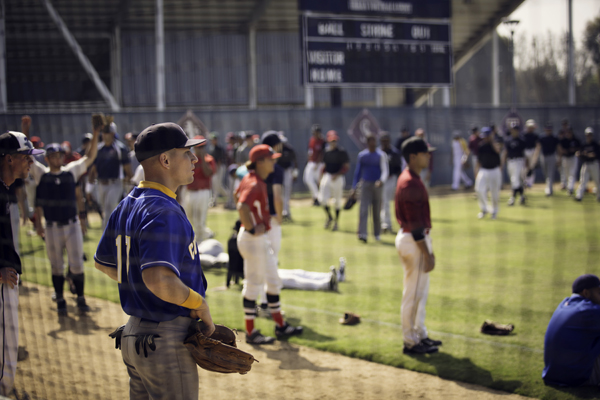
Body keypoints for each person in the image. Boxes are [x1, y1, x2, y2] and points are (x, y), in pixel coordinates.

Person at [94, 122, 215, 399]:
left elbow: (104, 263)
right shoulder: (164, 210)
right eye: (187, 153)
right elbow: (159, 279)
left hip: (134, 335)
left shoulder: (127, 204)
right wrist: (199, 304)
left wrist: (142, 283)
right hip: (165, 340)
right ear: (165, 159)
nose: (195, 158)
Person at [235, 144, 303, 345]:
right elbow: (241, 205)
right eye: (271, 158)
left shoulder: (253, 179)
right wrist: (251, 227)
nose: (274, 161)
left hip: (257, 240)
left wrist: (259, 218)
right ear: (260, 162)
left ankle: (281, 326)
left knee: (273, 281)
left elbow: (236, 195)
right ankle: (250, 332)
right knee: (253, 285)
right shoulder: (255, 182)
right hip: (253, 240)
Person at [32, 128, 100, 316]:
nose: (57, 158)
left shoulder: (70, 171)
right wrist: (26, 131)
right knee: (56, 265)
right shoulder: (42, 175)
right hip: (52, 227)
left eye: (59, 155)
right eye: (53, 156)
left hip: (72, 225)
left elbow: (90, 156)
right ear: (47, 158)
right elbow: (29, 159)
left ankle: (80, 298)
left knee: (77, 263)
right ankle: (60, 298)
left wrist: (95, 134)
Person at [0, 131, 43, 396]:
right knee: (6, 345)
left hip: (7, 278)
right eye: (26, 157)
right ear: (8, 159)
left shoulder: (6, 190)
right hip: (2, 281)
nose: (30, 162)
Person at [395, 137, 441, 355]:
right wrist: (428, 253)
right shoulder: (409, 182)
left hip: (415, 239)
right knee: (412, 295)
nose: (428, 156)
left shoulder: (412, 178)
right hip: (414, 241)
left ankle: (419, 335)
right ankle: (410, 342)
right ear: (413, 156)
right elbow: (415, 227)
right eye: (425, 153)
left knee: (420, 293)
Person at [543, 274, 600, 387]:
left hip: (552, 376)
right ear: (586, 293)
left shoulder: (564, 303)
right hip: (577, 380)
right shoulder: (589, 311)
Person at [89, 119, 132, 229]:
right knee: (105, 210)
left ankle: (107, 234)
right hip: (101, 183)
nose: (105, 135)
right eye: (104, 132)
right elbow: (94, 168)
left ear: (113, 133)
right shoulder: (98, 149)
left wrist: (131, 182)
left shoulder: (120, 149)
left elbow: (127, 169)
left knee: (109, 208)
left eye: (107, 132)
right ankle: (112, 231)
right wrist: (89, 187)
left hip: (116, 183)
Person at [351, 134, 388, 243]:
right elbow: (357, 173)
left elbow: (385, 170)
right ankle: (363, 234)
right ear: (367, 143)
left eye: (374, 141)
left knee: (376, 211)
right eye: (371, 141)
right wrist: (354, 187)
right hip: (365, 185)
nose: (373, 143)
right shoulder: (362, 155)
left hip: (377, 185)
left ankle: (377, 234)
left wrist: (381, 180)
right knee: (363, 209)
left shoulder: (381, 155)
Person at [181, 136, 216, 241]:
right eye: (198, 147)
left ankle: (201, 242)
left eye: (202, 147)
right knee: (190, 218)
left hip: (203, 192)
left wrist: (203, 159)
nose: (200, 149)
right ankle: (199, 238)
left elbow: (208, 173)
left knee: (200, 220)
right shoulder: (190, 159)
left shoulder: (209, 159)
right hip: (190, 192)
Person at [318, 130, 350, 232]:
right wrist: (320, 177)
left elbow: (346, 167)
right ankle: (329, 217)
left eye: (335, 140)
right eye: (332, 140)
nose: (333, 142)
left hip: (338, 178)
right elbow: (324, 166)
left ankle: (336, 222)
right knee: (322, 199)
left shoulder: (341, 152)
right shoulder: (326, 152)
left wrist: (337, 174)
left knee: (337, 201)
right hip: (328, 176)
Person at [475, 127, 502, 219]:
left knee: (494, 192)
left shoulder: (494, 144)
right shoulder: (481, 146)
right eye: (484, 137)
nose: (485, 138)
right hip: (484, 170)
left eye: (487, 136)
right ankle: (484, 209)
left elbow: (498, 150)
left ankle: (494, 211)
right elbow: (478, 161)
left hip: (494, 170)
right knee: (479, 189)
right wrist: (476, 172)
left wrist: (492, 140)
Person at [380, 132, 402, 234]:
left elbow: (398, 168)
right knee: (382, 202)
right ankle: (383, 223)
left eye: (386, 140)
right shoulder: (378, 152)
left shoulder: (394, 152)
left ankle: (386, 224)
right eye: (383, 140)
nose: (385, 142)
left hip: (390, 179)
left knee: (386, 202)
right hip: (379, 181)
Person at [502, 123, 527, 206]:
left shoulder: (521, 140)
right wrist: (502, 163)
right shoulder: (508, 140)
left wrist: (528, 165)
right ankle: (522, 196)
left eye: (515, 130)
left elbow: (525, 153)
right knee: (516, 180)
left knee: (515, 179)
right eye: (512, 129)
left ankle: (512, 198)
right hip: (510, 161)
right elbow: (505, 152)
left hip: (519, 161)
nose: (514, 131)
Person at [276, 133, 298, 221]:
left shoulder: (289, 149)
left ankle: (287, 213)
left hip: (287, 171)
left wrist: (295, 173)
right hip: (278, 171)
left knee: (287, 192)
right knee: (279, 192)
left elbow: (295, 161)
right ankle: (280, 213)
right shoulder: (275, 150)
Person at [574, 128, 600, 202]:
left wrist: (586, 154)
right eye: (588, 135)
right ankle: (579, 196)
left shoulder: (595, 145)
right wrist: (580, 154)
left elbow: (595, 155)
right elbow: (580, 154)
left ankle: (599, 196)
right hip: (586, 164)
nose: (589, 136)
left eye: (590, 135)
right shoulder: (584, 144)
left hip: (594, 164)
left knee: (597, 181)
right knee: (583, 181)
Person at [304, 124, 325, 206]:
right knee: (307, 179)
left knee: (319, 182)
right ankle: (317, 197)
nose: (315, 134)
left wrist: (318, 162)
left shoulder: (323, 141)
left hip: (319, 163)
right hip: (311, 162)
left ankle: (317, 199)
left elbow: (322, 153)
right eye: (314, 132)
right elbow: (310, 151)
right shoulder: (311, 140)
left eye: (317, 132)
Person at [538, 123, 560, 196]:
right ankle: (548, 187)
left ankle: (549, 191)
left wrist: (559, 158)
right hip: (544, 156)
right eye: (547, 129)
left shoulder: (554, 138)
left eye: (549, 129)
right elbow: (538, 148)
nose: (548, 131)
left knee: (550, 174)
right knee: (546, 174)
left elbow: (558, 148)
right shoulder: (542, 137)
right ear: (545, 129)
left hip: (552, 156)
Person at [558, 128, 581, 195]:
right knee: (566, 174)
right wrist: (565, 151)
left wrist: (574, 150)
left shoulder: (575, 140)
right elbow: (560, 149)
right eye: (567, 132)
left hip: (573, 157)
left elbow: (579, 148)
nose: (568, 134)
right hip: (565, 158)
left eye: (569, 132)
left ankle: (570, 188)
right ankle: (569, 187)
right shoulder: (564, 140)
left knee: (572, 173)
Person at [209, 132, 228, 207]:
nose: (213, 141)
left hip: (219, 167)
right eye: (212, 140)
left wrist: (216, 169)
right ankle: (214, 201)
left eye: (214, 139)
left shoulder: (219, 148)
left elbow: (219, 160)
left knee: (218, 185)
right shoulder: (212, 148)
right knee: (215, 185)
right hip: (215, 167)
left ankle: (228, 196)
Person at [523, 119, 541, 188]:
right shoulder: (524, 135)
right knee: (525, 168)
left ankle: (530, 183)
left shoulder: (535, 136)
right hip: (526, 151)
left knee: (531, 168)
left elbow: (537, 146)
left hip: (533, 151)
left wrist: (536, 155)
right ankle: (525, 182)